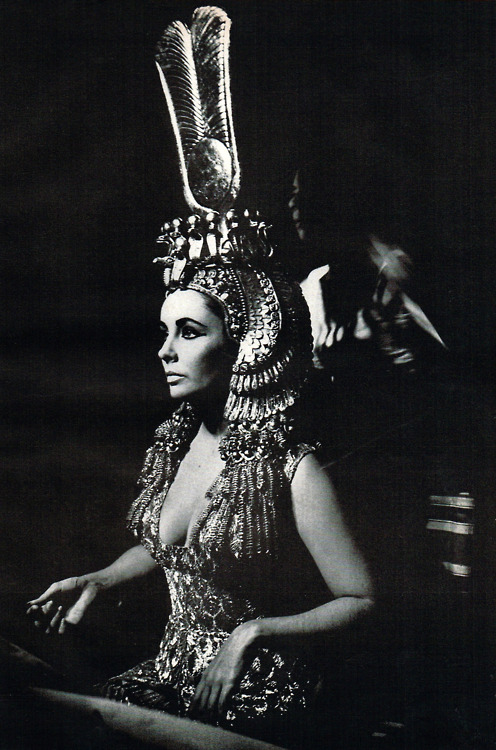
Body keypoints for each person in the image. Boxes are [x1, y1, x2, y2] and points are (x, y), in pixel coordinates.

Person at [26, 7, 374, 746]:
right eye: (164, 332)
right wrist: (102, 578)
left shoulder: (293, 467)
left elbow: (360, 598)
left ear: (244, 341)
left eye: (189, 332)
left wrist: (253, 632)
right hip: (167, 673)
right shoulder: (178, 442)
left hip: (255, 692)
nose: (166, 351)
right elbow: (169, 549)